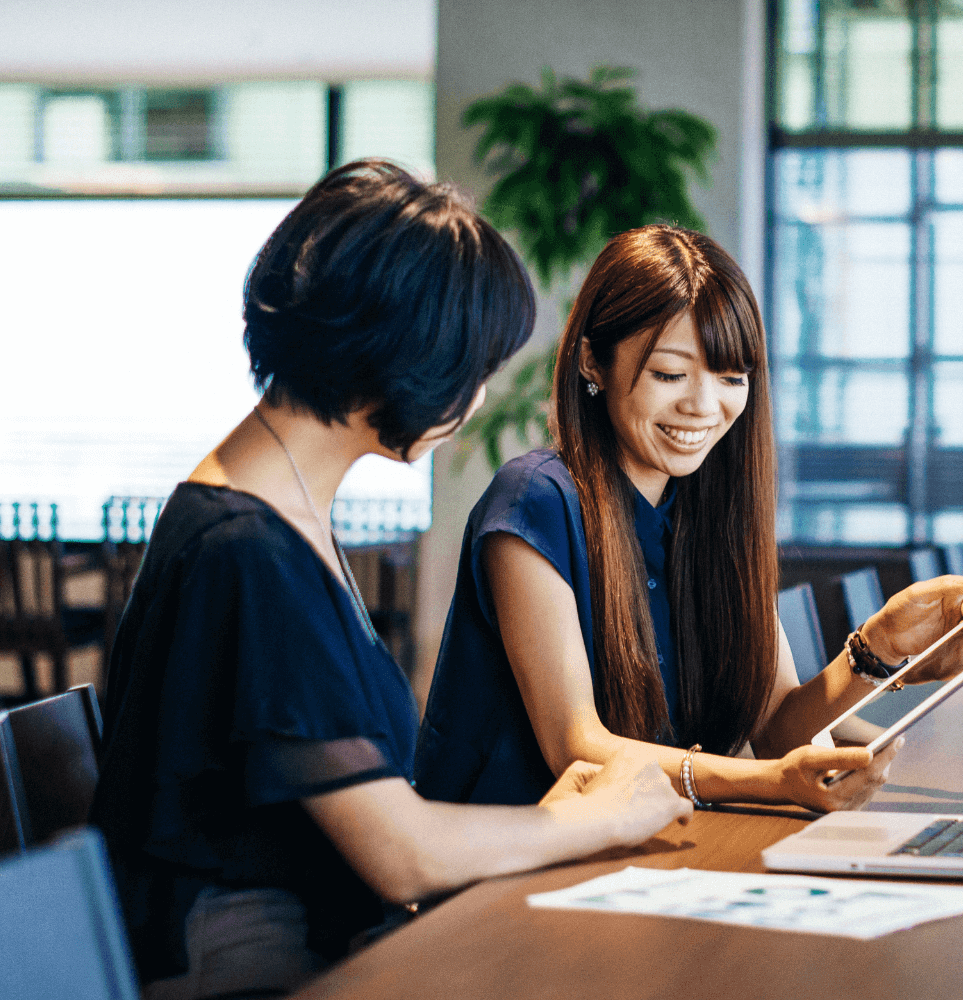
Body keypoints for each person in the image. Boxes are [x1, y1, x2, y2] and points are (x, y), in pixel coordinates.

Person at [90, 161, 691, 1000]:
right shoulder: (246, 550)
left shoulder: (271, 511)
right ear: (410, 355)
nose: (476, 399)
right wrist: (603, 816)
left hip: (320, 944)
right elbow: (401, 854)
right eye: (473, 368)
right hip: (268, 971)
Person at [420, 224, 963, 812]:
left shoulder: (710, 511)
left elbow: (778, 728)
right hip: (500, 877)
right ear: (591, 364)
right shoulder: (536, 501)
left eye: (731, 377)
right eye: (670, 375)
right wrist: (771, 783)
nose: (704, 406)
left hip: (636, 856)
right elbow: (578, 750)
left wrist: (877, 650)